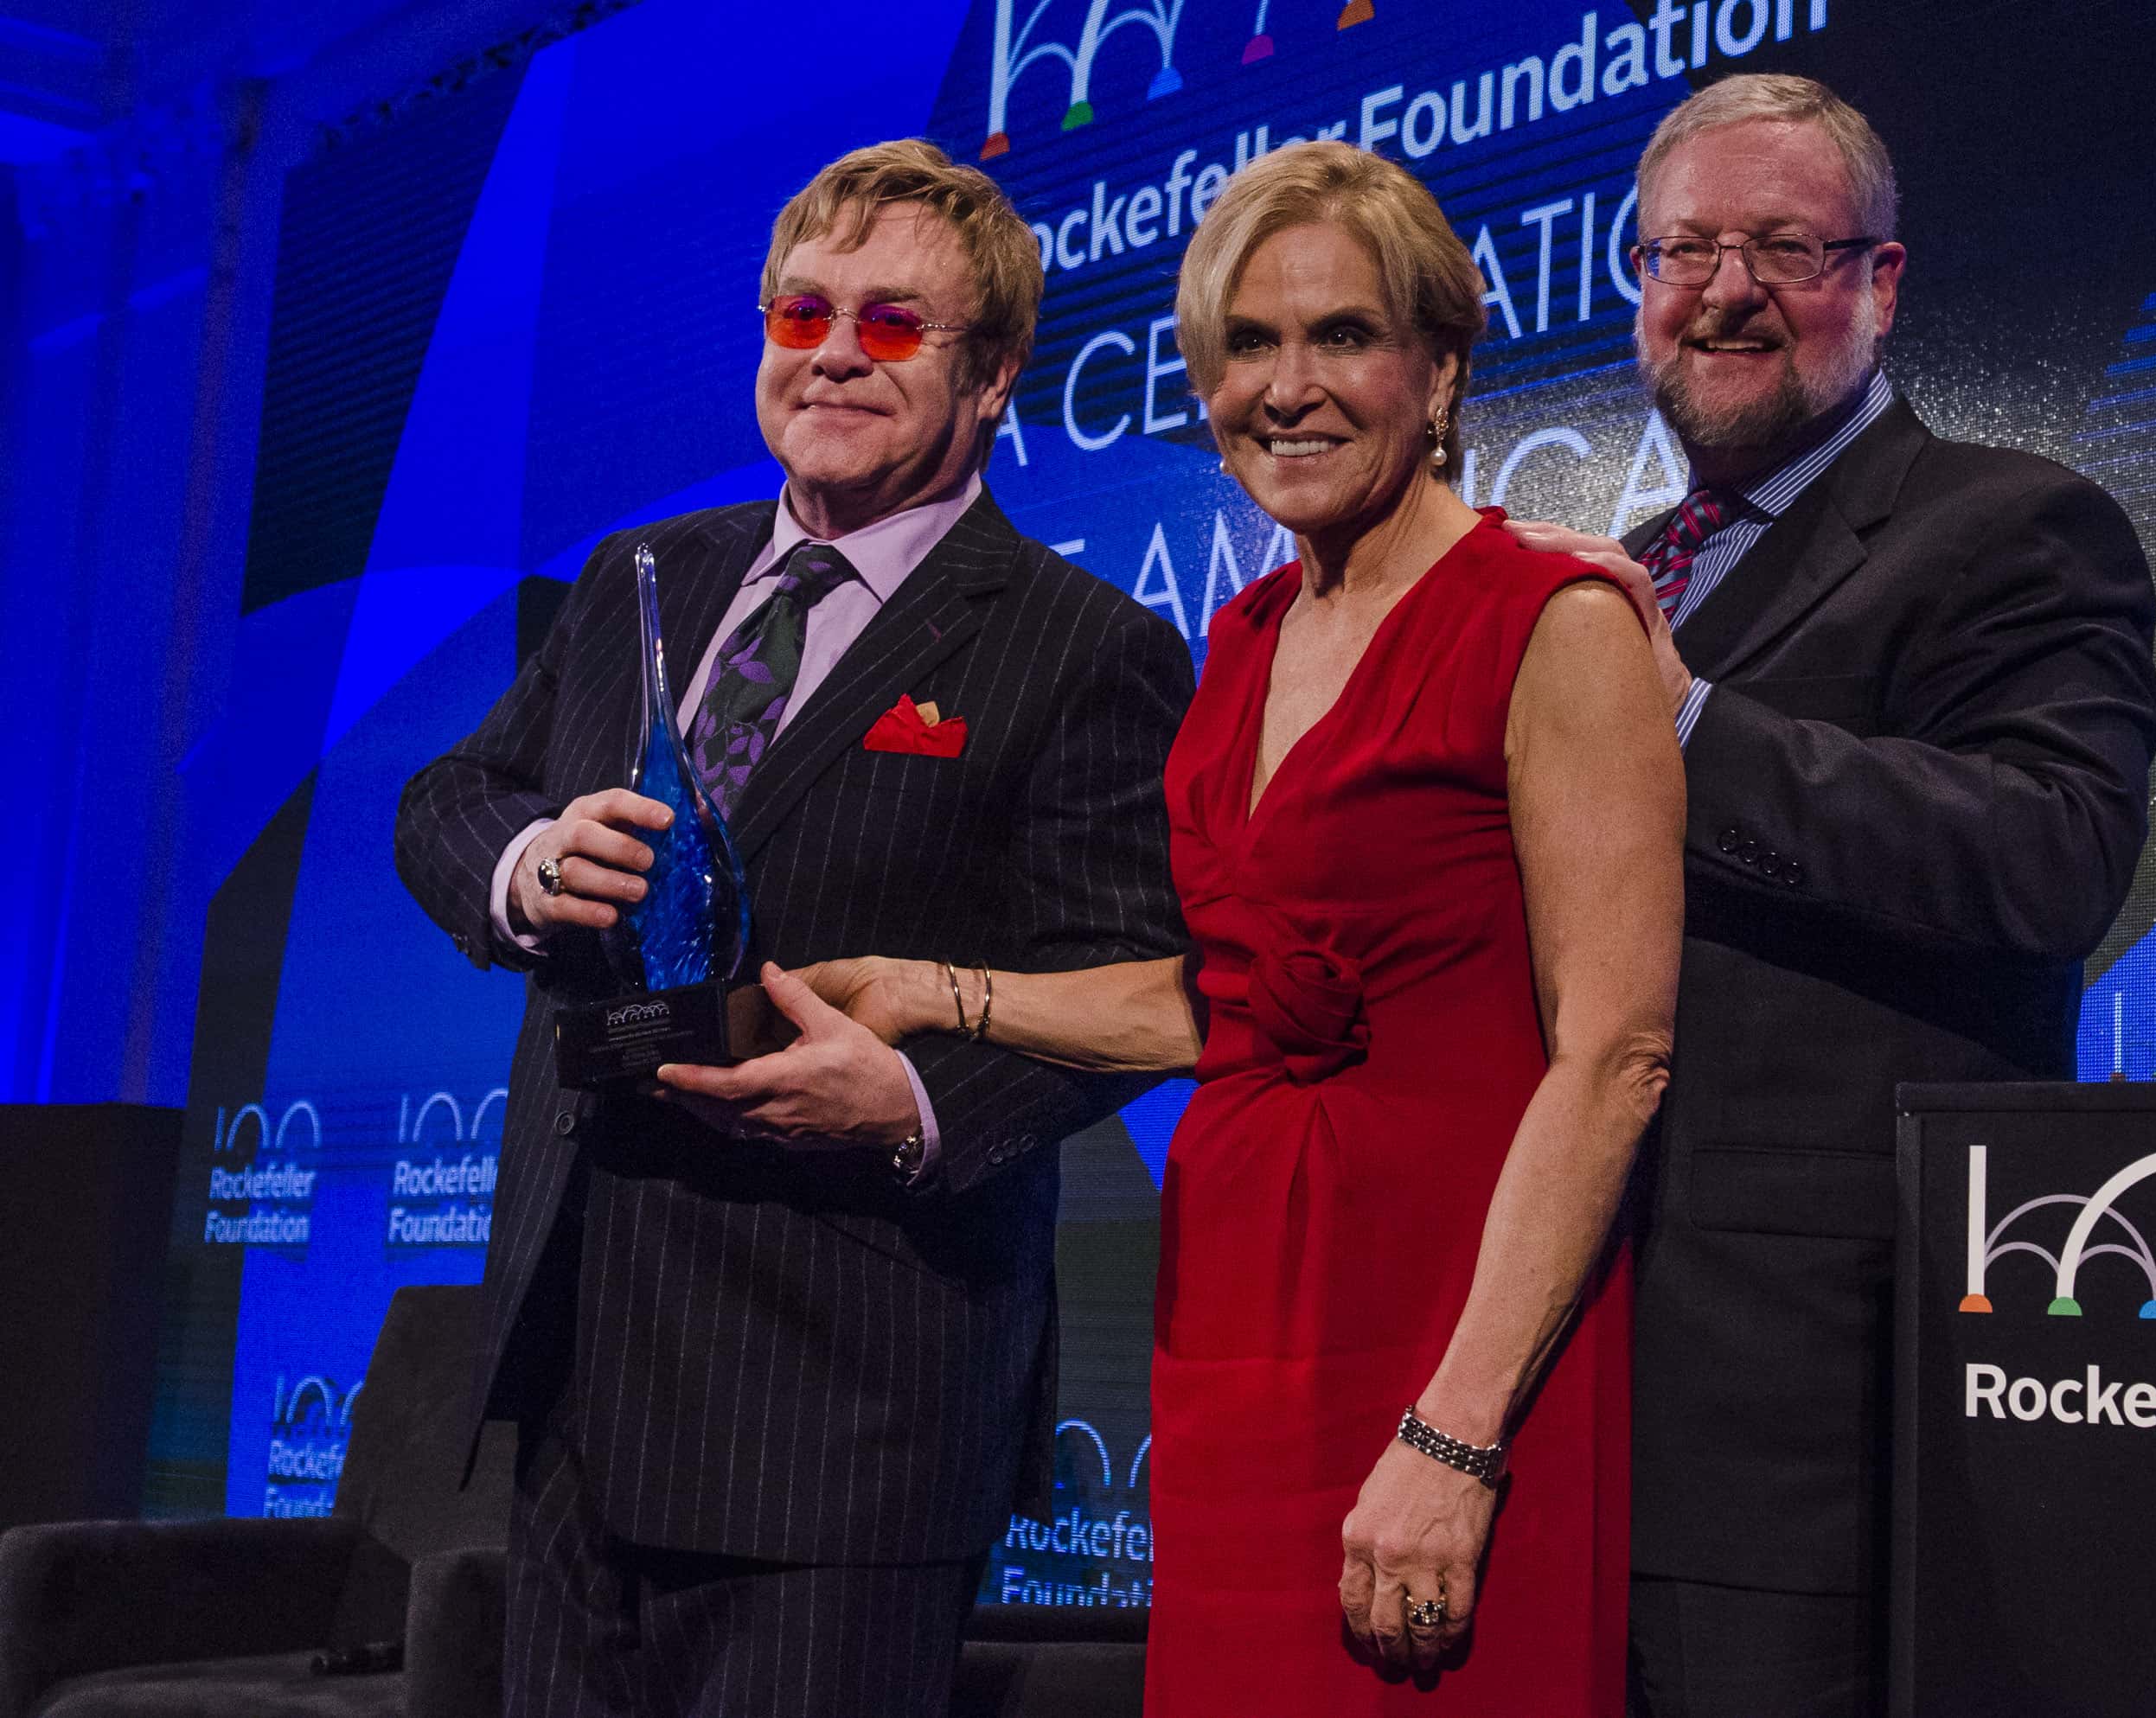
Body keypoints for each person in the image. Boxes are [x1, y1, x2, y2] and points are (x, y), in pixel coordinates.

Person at [781, 140, 1682, 1712]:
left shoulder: (1557, 622)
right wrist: (934, 991)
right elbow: (1232, 1005)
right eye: (1246, 346)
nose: (1289, 386)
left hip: (1448, 1337)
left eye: (1343, 336)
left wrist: (1455, 1434)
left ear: (1443, 366)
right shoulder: (1247, 639)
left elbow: (1616, 1055)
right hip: (1240, 1334)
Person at [393, 140, 1191, 1717]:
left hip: (845, 1401)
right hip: (577, 1370)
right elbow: (448, 797)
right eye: (802, 309)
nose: (831, 351)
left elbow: (1132, 981)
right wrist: (531, 863)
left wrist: (908, 1103)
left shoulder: (1080, 644)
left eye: (893, 325)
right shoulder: (646, 572)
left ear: (993, 375)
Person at [1508, 74, 2156, 1718]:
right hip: (1545, 1362)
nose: (1724, 289)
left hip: (1800, 1400)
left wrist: (1683, 724)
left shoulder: (2015, 527)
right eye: (1684, 249)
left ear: (1881, 281)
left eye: (1783, 247)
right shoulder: (1617, 569)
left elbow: (2051, 855)